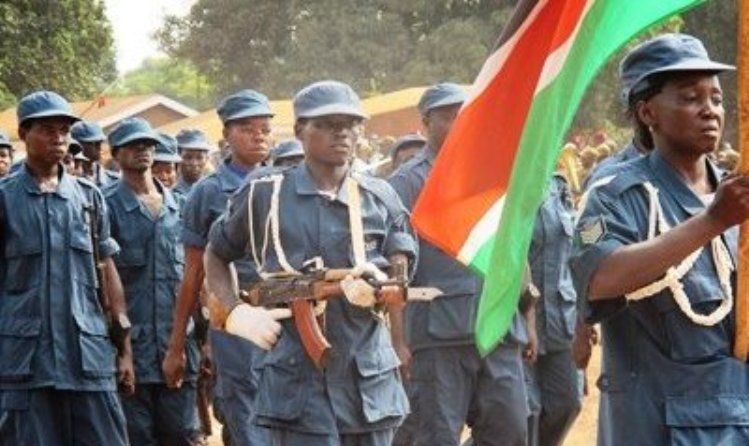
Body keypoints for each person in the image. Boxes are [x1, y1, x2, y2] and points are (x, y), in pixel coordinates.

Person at [205, 80, 415, 445]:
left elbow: (402, 254)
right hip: (296, 380)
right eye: (328, 123)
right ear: (301, 130)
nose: (342, 133)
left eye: (350, 124)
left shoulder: (379, 196)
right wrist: (235, 311)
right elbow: (216, 253)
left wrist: (384, 280)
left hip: (367, 378)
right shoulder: (265, 194)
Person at [570, 34, 749, 446]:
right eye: (690, 97)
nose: (710, 110)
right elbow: (600, 276)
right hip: (658, 425)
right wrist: (712, 220)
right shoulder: (615, 194)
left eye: (717, 98)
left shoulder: (736, 194)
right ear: (647, 111)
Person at [388, 82, 528, 446]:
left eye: (466, 117)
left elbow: (512, 247)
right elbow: (394, 262)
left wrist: (526, 317)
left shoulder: (495, 176)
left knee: (510, 432)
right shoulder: (406, 182)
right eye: (448, 118)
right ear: (425, 123)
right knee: (436, 437)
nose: (460, 125)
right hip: (437, 338)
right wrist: (398, 339)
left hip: (495, 328)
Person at [0, 90, 132, 445]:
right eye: (47, 129)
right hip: (24, 364)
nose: (59, 138)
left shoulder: (89, 198)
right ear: (24, 133)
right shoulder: (4, 198)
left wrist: (125, 350)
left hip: (87, 358)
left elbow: (107, 271)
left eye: (64, 130)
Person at [162, 89, 275, 445]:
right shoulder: (207, 193)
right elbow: (194, 272)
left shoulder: (286, 183)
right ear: (226, 135)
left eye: (265, 127)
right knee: (245, 414)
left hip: (286, 314)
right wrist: (177, 346)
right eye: (247, 127)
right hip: (235, 318)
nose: (259, 135)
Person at [105, 117, 203, 445]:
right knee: (136, 437)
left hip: (178, 345)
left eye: (147, 145)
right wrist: (122, 352)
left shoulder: (183, 206)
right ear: (116, 154)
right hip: (131, 347)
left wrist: (207, 344)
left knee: (182, 435)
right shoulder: (105, 206)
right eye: (133, 146)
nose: (143, 151)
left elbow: (197, 279)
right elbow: (101, 285)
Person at [525, 174, 581, 446]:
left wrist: (586, 317)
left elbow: (581, 243)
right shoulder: (501, 183)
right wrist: (526, 319)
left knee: (568, 403)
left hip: (561, 317)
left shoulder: (558, 185)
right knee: (524, 413)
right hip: (517, 320)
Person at [71, 120, 120, 187]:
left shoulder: (115, 181)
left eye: (100, 142)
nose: (99, 147)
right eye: (95, 143)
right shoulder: (70, 182)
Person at [174, 129, 213, 197]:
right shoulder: (171, 191)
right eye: (188, 157)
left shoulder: (216, 188)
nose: (194, 163)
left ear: (207, 159)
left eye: (199, 157)